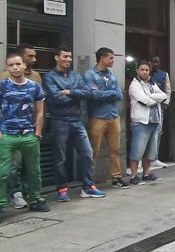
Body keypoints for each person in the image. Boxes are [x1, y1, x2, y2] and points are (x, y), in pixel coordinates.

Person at [44, 45, 106, 201]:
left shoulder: (76, 75)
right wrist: (75, 94)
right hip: (59, 121)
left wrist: (69, 92)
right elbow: (55, 98)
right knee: (61, 158)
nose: (68, 60)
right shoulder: (49, 76)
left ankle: (88, 186)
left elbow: (87, 93)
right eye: (65, 56)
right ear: (57, 58)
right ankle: (62, 189)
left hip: (76, 120)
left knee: (87, 153)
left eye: (70, 57)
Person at [0, 54, 49, 216]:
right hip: (7, 135)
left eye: (18, 64)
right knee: (3, 172)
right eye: (11, 65)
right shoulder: (2, 86)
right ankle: (1, 204)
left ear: (23, 66)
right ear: (7, 68)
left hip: (29, 135)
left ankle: (35, 199)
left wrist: (37, 132)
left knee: (34, 171)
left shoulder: (34, 86)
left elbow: (40, 111)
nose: (15, 67)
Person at [84, 48, 127, 189]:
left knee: (115, 150)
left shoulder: (112, 75)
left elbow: (119, 95)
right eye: (111, 58)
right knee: (93, 151)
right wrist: (110, 93)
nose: (113, 61)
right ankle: (89, 180)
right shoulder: (90, 74)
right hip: (97, 117)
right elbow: (92, 95)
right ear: (102, 58)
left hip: (113, 116)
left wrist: (103, 93)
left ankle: (117, 178)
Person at [128, 61, 167, 185]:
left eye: (147, 70)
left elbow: (164, 95)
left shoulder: (151, 84)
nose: (145, 72)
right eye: (142, 69)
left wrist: (151, 96)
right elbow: (145, 101)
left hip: (154, 121)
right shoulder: (135, 85)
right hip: (141, 122)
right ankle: (134, 176)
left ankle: (145, 174)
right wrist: (155, 98)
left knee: (150, 151)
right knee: (137, 150)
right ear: (137, 70)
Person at [150, 55, 171, 168]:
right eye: (153, 62)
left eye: (157, 62)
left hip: (160, 107)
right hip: (147, 107)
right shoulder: (146, 74)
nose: (155, 64)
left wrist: (166, 103)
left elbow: (167, 90)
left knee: (158, 132)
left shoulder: (164, 74)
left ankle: (155, 157)